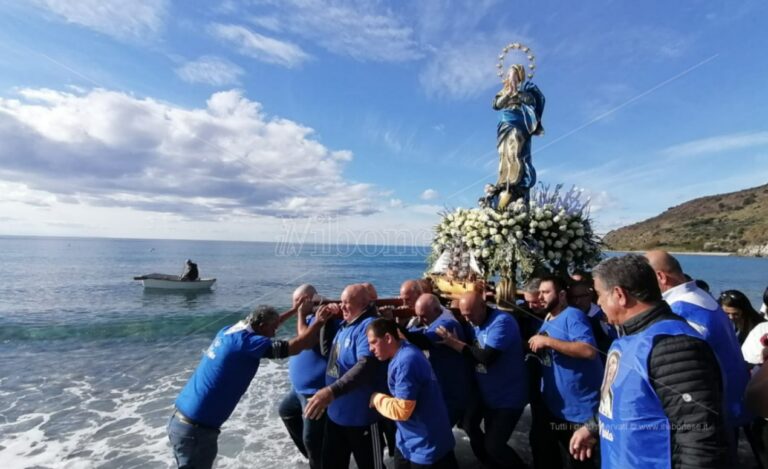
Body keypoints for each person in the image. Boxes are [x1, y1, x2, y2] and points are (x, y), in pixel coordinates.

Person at [569, 254, 729, 468]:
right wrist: (592, 427)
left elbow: (700, 436)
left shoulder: (674, 347)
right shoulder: (628, 336)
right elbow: (623, 401)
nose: (597, 302)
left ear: (619, 295)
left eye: (598, 294)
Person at [168, 302, 332, 469]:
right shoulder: (248, 344)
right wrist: (318, 321)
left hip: (180, 422)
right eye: (273, 329)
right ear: (261, 326)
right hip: (196, 432)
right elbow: (298, 346)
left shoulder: (229, 331)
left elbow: (266, 327)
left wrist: (292, 310)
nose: (275, 333)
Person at [645, 250, 751, 436]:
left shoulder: (679, 311)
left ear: (660, 277)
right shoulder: (701, 296)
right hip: (734, 400)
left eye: (643, 279)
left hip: (714, 412)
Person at [436, 291, 528, 469]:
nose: (468, 320)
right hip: (485, 393)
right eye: (464, 315)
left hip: (509, 397)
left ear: (483, 306)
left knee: (495, 445)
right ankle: (490, 464)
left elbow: (487, 357)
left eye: (470, 315)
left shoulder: (502, 322)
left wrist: (454, 343)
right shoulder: (473, 321)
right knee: (469, 425)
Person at [304, 284, 386, 469]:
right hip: (336, 417)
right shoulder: (345, 325)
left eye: (346, 303)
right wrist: (327, 322)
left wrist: (331, 392)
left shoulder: (368, 326)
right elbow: (327, 352)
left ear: (364, 303)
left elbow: (367, 365)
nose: (341, 306)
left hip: (361, 419)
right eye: (341, 302)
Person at [528, 276, 602, 469]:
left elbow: (588, 350)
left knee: (580, 460)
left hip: (579, 410)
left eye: (546, 292)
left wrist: (548, 342)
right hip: (555, 406)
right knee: (545, 451)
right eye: (539, 293)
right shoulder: (548, 318)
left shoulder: (573, 316)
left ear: (561, 295)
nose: (540, 297)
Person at [367, 318, 459, 469]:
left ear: (388, 338)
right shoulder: (402, 349)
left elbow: (402, 410)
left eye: (373, 342)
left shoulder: (406, 361)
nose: (370, 348)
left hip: (426, 445)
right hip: (406, 440)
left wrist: (377, 398)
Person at [278, 284, 339, 469]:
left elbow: (304, 341)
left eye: (298, 301)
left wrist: (301, 314)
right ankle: (315, 457)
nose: (295, 305)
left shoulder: (324, 317)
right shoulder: (312, 317)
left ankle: (319, 460)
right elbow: (303, 336)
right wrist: (301, 314)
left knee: (312, 439)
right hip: (299, 390)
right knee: (286, 411)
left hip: (314, 392)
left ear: (308, 299)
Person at [406, 293, 470, 426]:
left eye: (423, 316)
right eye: (418, 316)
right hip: (441, 391)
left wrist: (391, 326)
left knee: (440, 432)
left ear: (436, 310)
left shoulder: (447, 324)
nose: (420, 319)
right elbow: (416, 333)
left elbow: (421, 340)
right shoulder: (434, 318)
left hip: (452, 393)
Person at [491, 64, 545, 206]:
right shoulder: (504, 91)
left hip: (519, 123)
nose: (511, 78)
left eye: (514, 75)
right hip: (505, 122)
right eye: (509, 75)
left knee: (515, 149)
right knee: (503, 152)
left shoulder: (525, 90)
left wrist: (519, 94)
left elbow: (532, 101)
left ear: (519, 76)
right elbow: (496, 105)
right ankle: (504, 180)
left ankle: (515, 180)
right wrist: (509, 93)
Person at [567, 280, 616, 359]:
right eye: (573, 297)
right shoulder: (568, 317)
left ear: (590, 295)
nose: (577, 301)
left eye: (582, 296)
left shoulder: (603, 316)